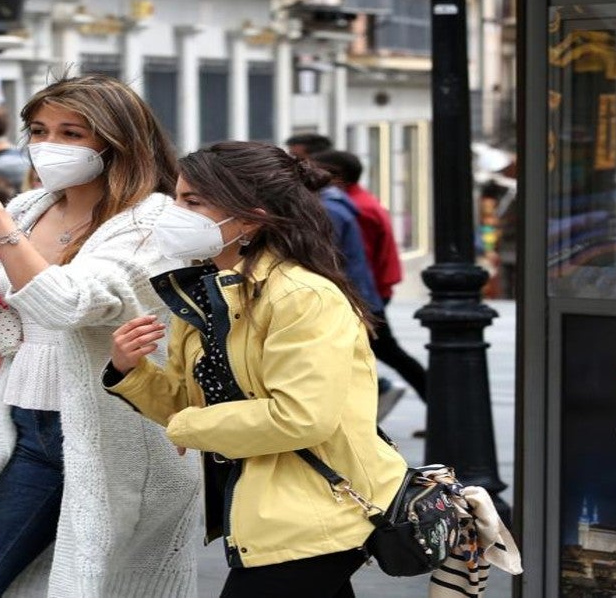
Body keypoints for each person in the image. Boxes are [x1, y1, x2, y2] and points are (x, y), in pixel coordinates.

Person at [0, 75, 200, 597]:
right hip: (26, 424)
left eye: (71, 133)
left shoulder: (151, 221)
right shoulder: (29, 210)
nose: (48, 146)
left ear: (117, 141)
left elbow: (67, 305)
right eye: (39, 131)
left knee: (30, 583)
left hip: (110, 432)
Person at [106, 141, 408, 598]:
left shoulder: (301, 295)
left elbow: (301, 416)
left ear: (249, 218)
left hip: (317, 508)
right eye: (176, 199)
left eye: (192, 202)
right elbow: (194, 404)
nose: (173, 213)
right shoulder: (209, 292)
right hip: (269, 507)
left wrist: (187, 426)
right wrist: (131, 370)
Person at [312, 150, 427, 403]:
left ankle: (437, 407)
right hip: (367, 294)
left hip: (362, 297)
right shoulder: (352, 203)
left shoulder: (345, 208)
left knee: (383, 355)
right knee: (380, 355)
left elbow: (352, 259)